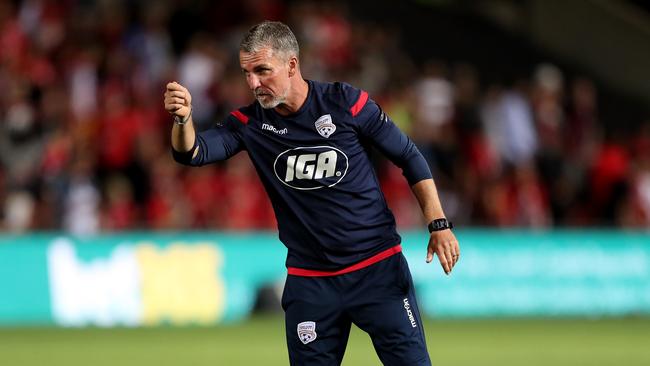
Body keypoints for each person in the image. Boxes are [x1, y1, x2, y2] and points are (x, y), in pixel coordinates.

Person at [164, 21, 459, 366]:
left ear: (291, 65)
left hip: (376, 269)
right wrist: (183, 121)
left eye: (262, 71)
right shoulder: (250, 125)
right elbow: (193, 153)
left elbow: (408, 155)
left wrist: (438, 223)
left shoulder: (345, 103)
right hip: (312, 283)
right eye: (246, 73)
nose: (253, 83)